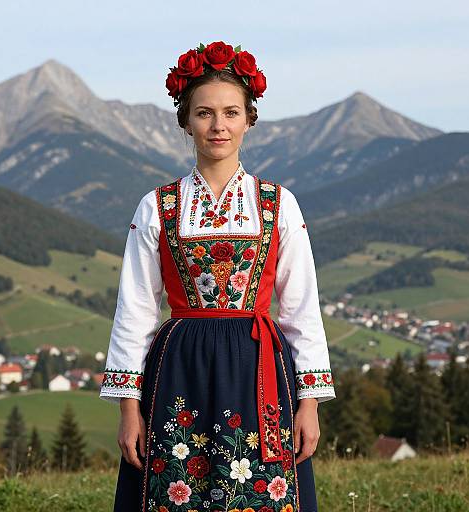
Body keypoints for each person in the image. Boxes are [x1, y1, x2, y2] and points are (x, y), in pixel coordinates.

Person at [99, 40, 335, 512]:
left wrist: (308, 402)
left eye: (231, 112)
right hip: (179, 369)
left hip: (259, 369)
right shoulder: (157, 206)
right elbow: (136, 308)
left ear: (249, 118)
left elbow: (300, 307)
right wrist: (129, 409)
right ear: (186, 121)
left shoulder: (277, 204)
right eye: (205, 113)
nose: (219, 125)